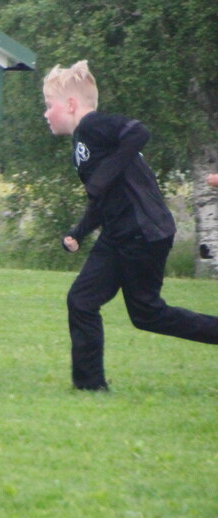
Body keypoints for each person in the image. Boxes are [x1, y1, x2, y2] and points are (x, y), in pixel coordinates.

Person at [43, 61, 218, 391]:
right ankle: (90, 387)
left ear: (71, 104)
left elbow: (139, 132)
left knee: (148, 314)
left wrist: (102, 177)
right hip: (119, 233)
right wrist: (78, 232)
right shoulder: (82, 141)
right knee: (81, 300)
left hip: (143, 233)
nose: (46, 114)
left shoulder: (94, 125)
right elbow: (102, 195)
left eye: (49, 105)